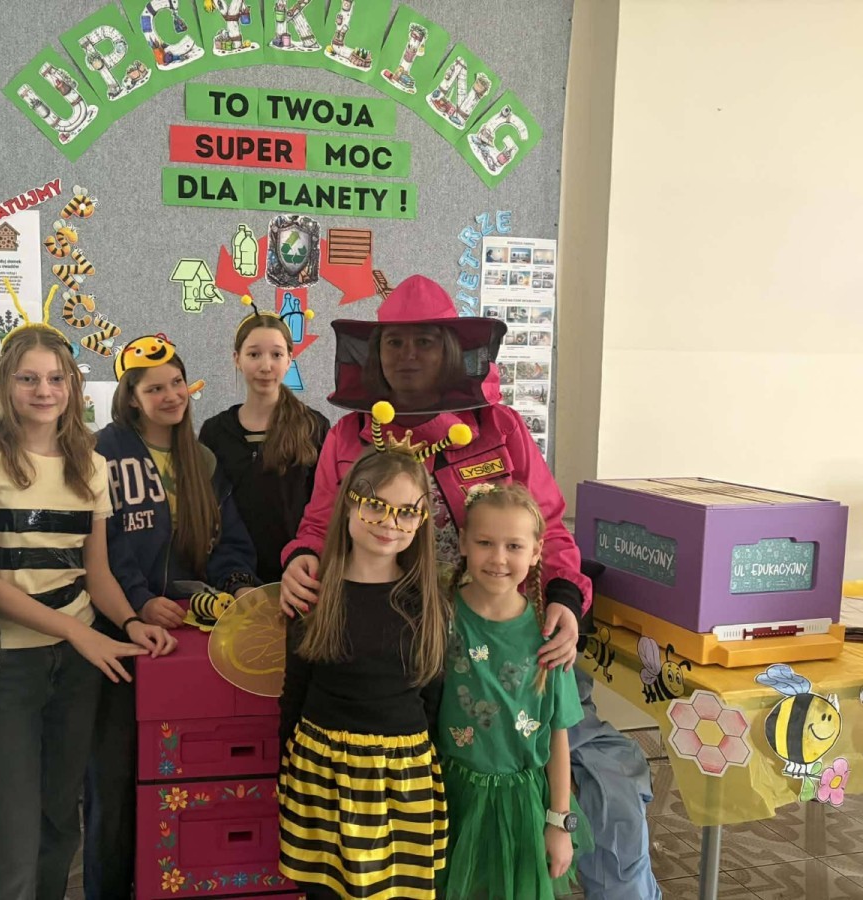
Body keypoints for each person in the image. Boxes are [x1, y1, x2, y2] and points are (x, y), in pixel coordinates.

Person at [280, 274, 661, 900]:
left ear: (455, 350)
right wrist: (300, 558)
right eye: (394, 342)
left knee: (605, 789)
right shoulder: (350, 436)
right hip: (394, 654)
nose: (407, 355)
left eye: (425, 342)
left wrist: (566, 602)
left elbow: (549, 529)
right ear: (374, 353)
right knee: (422, 822)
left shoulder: (499, 427)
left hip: (507, 646)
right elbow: (319, 524)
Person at [0, 325, 175, 900]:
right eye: (28, 378)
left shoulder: (92, 466)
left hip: (76, 668)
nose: (44, 391)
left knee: (60, 824)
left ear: (73, 387)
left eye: (56, 378)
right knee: (15, 838)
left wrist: (131, 623)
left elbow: (97, 574)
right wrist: (81, 635)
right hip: (8, 666)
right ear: (7, 385)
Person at [86, 334, 260, 900]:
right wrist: (138, 600)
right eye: (154, 388)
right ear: (131, 397)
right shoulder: (103, 452)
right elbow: (104, 545)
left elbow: (228, 539)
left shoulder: (201, 458)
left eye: (177, 383)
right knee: (115, 777)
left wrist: (237, 586)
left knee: (181, 772)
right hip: (119, 631)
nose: (170, 395)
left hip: (187, 636)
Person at [277, 445, 449, 899]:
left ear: (421, 520)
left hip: (402, 778)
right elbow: (294, 690)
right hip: (321, 773)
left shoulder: (427, 602)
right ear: (349, 503)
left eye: (406, 512)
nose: (390, 523)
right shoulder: (313, 593)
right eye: (375, 505)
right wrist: (284, 765)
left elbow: (433, 695)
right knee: (324, 888)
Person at [439, 482, 592, 899]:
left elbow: (558, 734)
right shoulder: (440, 616)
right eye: (485, 543)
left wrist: (559, 822)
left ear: (537, 551)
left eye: (514, 546)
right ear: (463, 543)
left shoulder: (549, 634)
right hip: (451, 797)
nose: (499, 558)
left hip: (523, 805)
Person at [199, 300, 329, 582]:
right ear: (237, 358)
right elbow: (209, 514)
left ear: (289, 359)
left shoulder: (314, 427)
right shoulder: (214, 432)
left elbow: (325, 508)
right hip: (231, 578)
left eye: (276, 354)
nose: (266, 366)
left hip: (301, 574)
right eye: (254, 354)